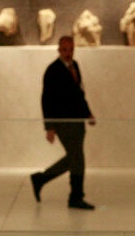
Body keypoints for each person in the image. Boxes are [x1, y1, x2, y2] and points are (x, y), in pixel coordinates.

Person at [31, 35, 96, 210]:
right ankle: (75, 197)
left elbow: (79, 94)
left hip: (77, 123)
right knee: (77, 159)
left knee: (75, 159)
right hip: (63, 123)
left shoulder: (75, 66)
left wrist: (88, 113)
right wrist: (49, 127)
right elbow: (47, 100)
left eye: (71, 49)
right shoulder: (53, 70)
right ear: (59, 50)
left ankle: (41, 179)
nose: (68, 53)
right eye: (65, 50)